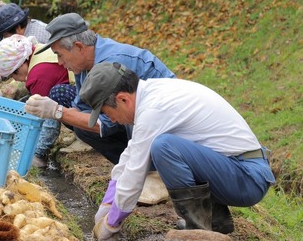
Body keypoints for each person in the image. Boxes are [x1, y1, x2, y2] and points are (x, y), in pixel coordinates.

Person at [78, 62, 275, 240]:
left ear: (122, 99)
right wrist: (106, 204)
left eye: (106, 113)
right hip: (239, 169)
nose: (111, 120)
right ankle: (215, 223)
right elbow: (130, 156)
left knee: (164, 147)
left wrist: (111, 224)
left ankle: (198, 230)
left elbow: (134, 174)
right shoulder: (153, 92)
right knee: (164, 146)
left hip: (247, 178)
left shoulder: (154, 110)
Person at [24, 13, 176, 165]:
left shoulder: (110, 65)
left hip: (167, 123)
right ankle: (130, 165)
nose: (59, 62)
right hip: (136, 118)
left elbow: (109, 124)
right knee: (82, 127)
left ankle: (142, 167)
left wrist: (57, 111)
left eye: (60, 55)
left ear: (78, 47)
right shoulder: (84, 65)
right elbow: (81, 108)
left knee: (87, 126)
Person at [0, 34, 76, 167]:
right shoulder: (36, 51)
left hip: (81, 104)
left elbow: (49, 119)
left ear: (21, 64)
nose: (15, 79)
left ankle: (80, 135)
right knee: (26, 102)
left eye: (14, 74)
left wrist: (38, 153)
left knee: (38, 106)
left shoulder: (38, 76)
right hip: (77, 92)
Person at [0, 2, 50, 67]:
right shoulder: (24, 33)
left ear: (18, 28)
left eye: (5, 35)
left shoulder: (35, 40)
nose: (5, 39)